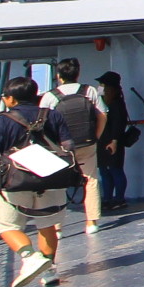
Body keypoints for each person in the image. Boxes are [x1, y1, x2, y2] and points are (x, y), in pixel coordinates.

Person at [0, 78, 83, 287]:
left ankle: (30, 257)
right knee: (47, 225)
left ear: (10, 98)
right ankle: (50, 272)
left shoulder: (3, 120)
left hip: (16, 181)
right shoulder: (52, 114)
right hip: (51, 176)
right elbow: (69, 145)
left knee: (7, 225)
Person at [46, 58, 108, 233]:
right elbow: (103, 115)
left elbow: (42, 123)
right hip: (87, 143)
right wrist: (96, 136)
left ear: (59, 76)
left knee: (58, 184)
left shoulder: (50, 96)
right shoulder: (89, 91)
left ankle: (57, 227)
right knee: (91, 180)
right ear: (77, 73)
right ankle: (91, 223)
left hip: (61, 147)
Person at [94, 70, 141, 212]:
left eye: (103, 85)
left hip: (113, 141)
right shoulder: (103, 102)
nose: (100, 87)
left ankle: (119, 198)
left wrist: (114, 141)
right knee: (104, 171)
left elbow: (118, 124)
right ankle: (107, 198)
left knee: (115, 170)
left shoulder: (116, 104)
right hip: (102, 141)